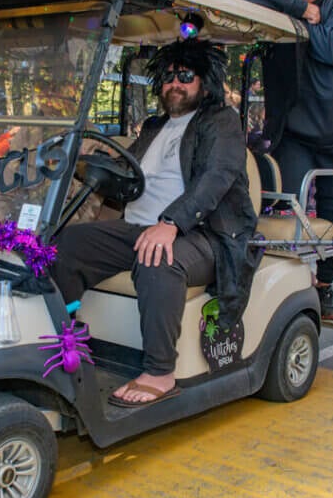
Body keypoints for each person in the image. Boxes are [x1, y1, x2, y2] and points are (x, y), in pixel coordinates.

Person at [52, 39, 257, 407]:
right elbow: (126, 172)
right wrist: (88, 161)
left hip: (204, 234)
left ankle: (160, 371)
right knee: (65, 245)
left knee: (157, 257)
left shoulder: (221, 123)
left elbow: (217, 176)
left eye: (185, 75)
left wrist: (171, 223)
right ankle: (68, 334)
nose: (174, 83)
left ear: (204, 83)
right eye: (167, 76)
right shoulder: (154, 125)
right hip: (139, 228)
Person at [232, 0, 333, 321]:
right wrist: (300, 9)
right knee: (284, 210)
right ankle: (282, 286)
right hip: (291, 131)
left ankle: (324, 289)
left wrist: (296, 19)